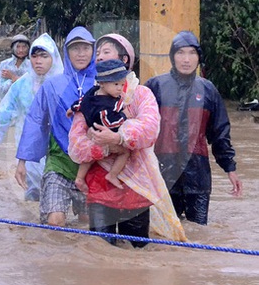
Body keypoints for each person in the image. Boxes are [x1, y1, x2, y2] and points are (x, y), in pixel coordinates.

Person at [68, 33, 186, 246]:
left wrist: (119, 137)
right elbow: (76, 143)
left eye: (106, 51)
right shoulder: (90, 98)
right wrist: (104, 147)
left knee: (137, 253)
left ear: (123, 59)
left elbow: (150, 129)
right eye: (98, 53)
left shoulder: (142, 94)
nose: (99, 57)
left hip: (136, 188)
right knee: (100, 251)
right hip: (100, 186)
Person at [145, 30, 243, 225]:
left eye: (192, 53)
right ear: (172, 56)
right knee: (164, 235)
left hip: (197, 178)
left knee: (198, 235)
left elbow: (220, 134)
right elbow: (140, 130)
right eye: (181, 53)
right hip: (162, 176)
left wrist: (230, 168)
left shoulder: (208, 91)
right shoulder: (155, 86)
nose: (186, 59)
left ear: (199, 57)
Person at [16, 26, 96, 226]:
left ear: (93, 51)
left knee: (87, 224)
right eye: (75, 48)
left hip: (93, 165)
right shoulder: (52, 85)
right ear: (66, 52)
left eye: (85, 48)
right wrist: (22, 160)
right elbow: (36, 121)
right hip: (59, 162)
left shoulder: (103, 83)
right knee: (55, 222)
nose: (80, 53)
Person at [0, 33, 64, 201]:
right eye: (35, 56)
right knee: (33, 200)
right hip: (30, 155)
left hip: (61, 154)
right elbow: (2, 116)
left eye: (44, 56)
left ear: (53, 58)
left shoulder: (65, 84)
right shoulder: (22, 85)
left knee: (60, 208)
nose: (38, 61)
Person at [70, 59, 131, 193]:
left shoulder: (92, 92)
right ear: (102, 83)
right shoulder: (109, 104)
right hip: (105, 138)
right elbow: (110, 122)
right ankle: (112, 175)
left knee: (89, 157)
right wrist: (125, 117)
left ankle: (79, 178)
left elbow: (82, 101)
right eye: (116, 84)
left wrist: (72, 108)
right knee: (125, 152)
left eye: (122, 84)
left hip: (90, 135)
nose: (120, 88)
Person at [0, 35, 32, 100]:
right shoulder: (4, 65)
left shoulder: (32, 65)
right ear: (12, 48)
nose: (21, 50)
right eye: (17, 47)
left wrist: (13, 78)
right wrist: (11, 81)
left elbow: (33, 86)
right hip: (8, 104)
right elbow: (0, 89)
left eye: (24, 47)